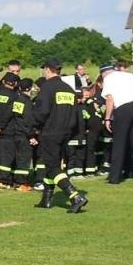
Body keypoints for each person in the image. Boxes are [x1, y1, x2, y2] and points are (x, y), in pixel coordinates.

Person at [28, 59, 88, 213]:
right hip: (66, 132)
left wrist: (32, 126)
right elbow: (76, 112)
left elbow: (42, 111)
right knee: (51, 165)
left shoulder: (48, 87)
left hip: (51, 132)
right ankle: (46, 199)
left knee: (52, 166)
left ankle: (74, 196)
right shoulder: (68, 88)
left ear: (48, 70)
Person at [101, 63, 133, 185]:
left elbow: (110, 99)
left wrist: (107, 118)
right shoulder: (131, 76)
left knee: (119, 142)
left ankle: (115, 177)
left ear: (104, 73)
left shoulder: (109, 78)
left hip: (124, 108)